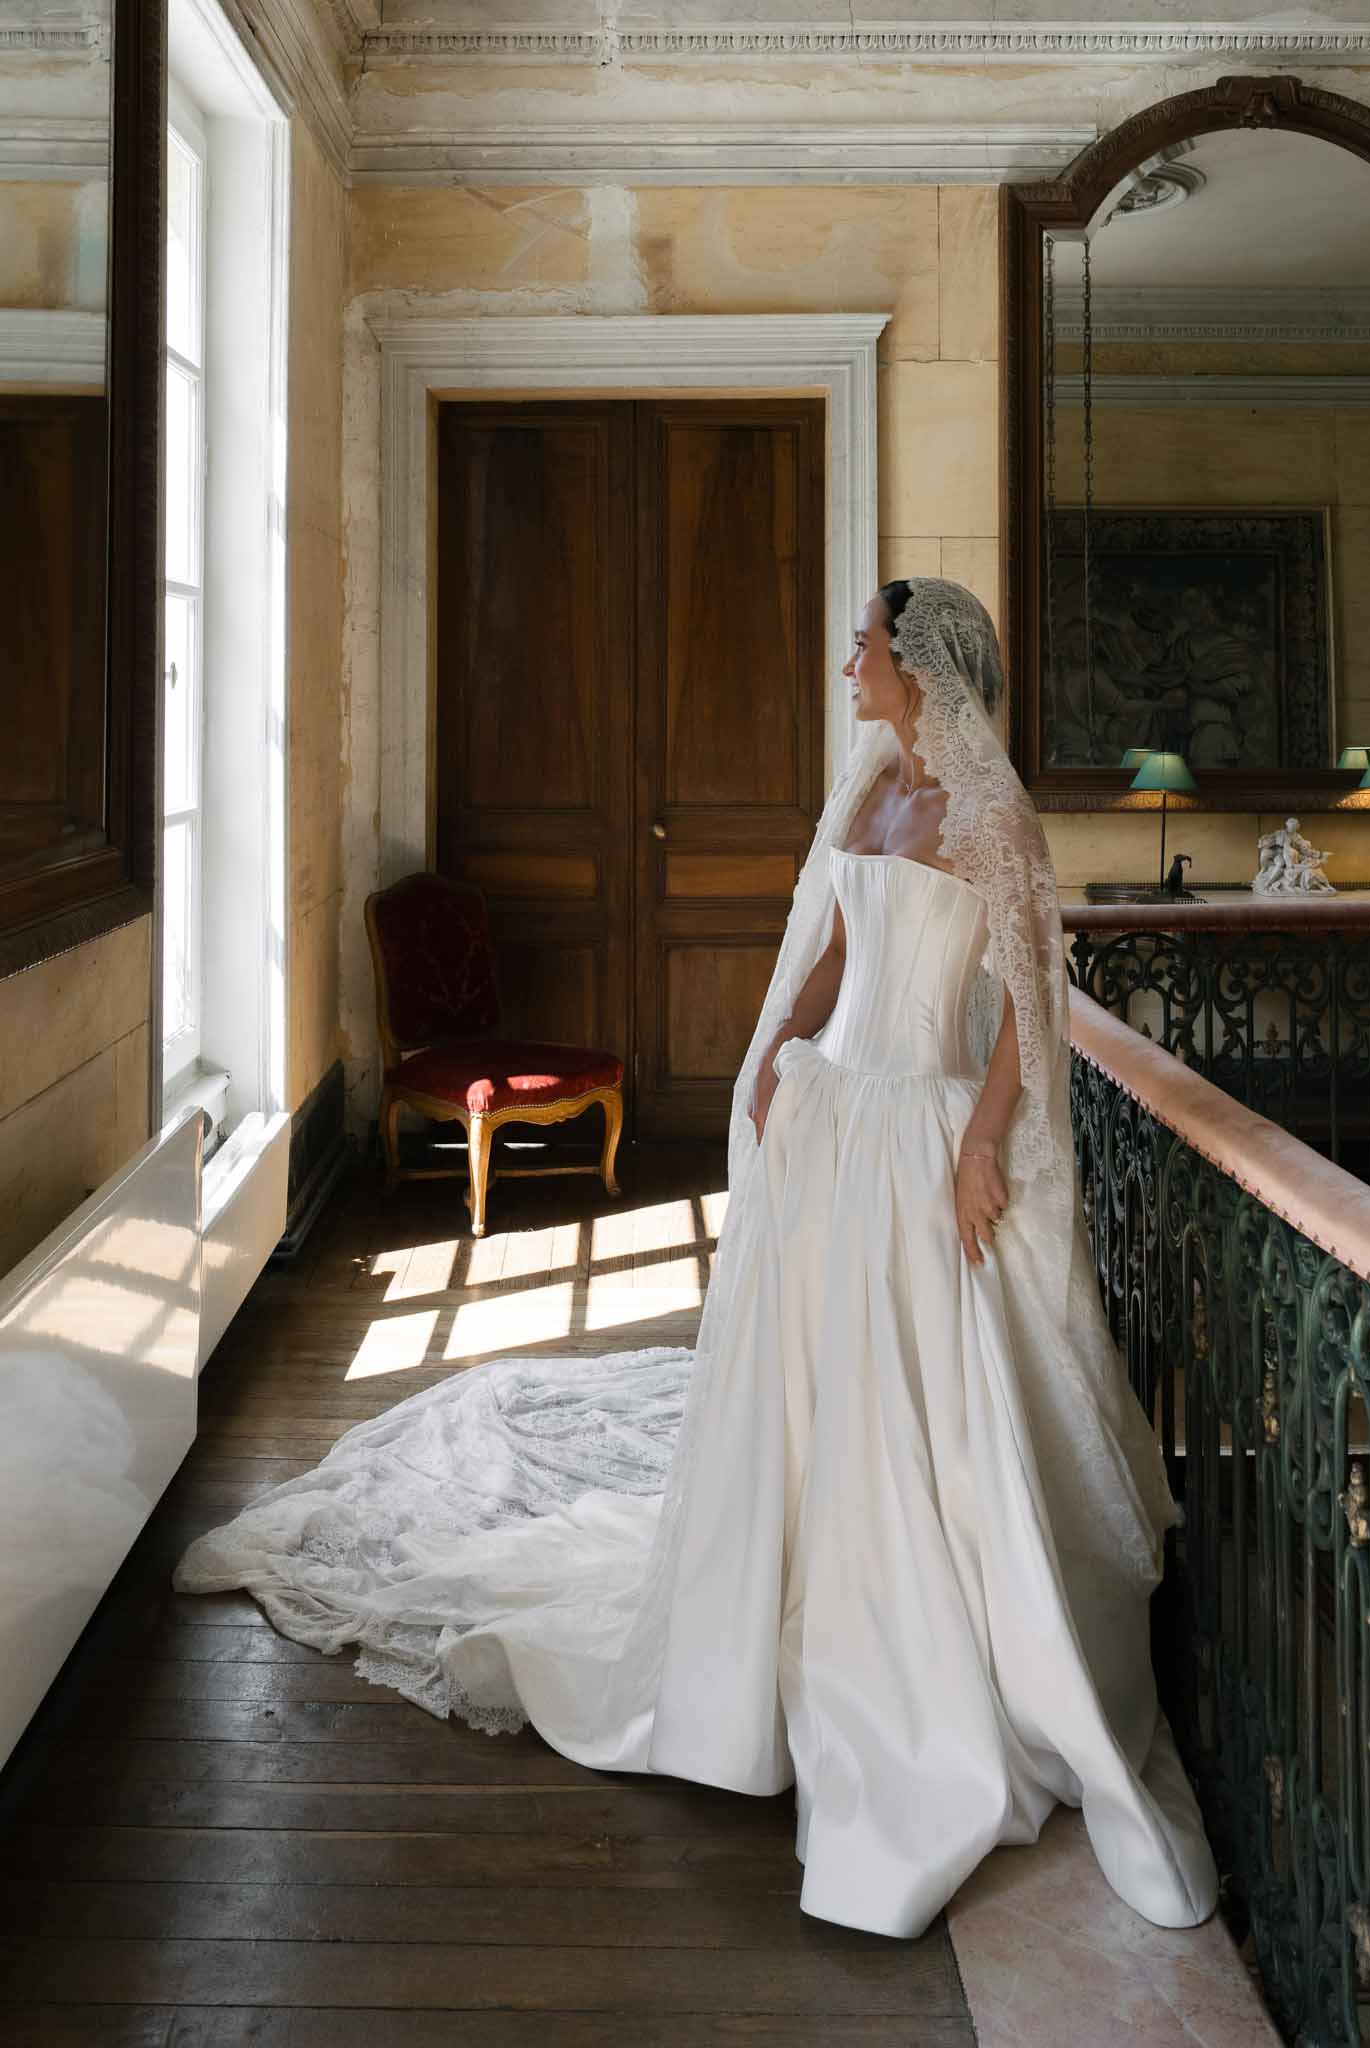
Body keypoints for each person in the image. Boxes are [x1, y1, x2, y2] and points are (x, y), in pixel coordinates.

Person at [175, 577, 1219, 1940]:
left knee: (907, 1406)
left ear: (918, 667)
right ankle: (759, 1638)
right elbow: (843, 941)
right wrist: (781, 1050)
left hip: (914, 1136)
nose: (847, 663)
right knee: (792, 1388)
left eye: (864, 646)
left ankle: (905, 1658)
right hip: (829, 1128)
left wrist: (980, 1146)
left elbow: (1028, 1004)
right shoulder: (872, 797)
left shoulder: (993, 819)